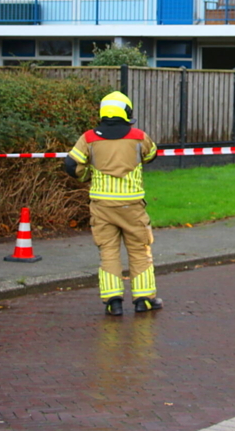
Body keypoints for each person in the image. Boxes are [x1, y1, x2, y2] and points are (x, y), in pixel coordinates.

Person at [65, 91, 160, 316]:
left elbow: (71, 165)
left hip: (102, 206)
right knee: (139, 251)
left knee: (108, 251)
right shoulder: (138, 136)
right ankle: (144, 300)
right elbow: (151, 155)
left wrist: (85, 175)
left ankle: (113, 301)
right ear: (126, 112)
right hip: (132, 206)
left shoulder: (89, 138)